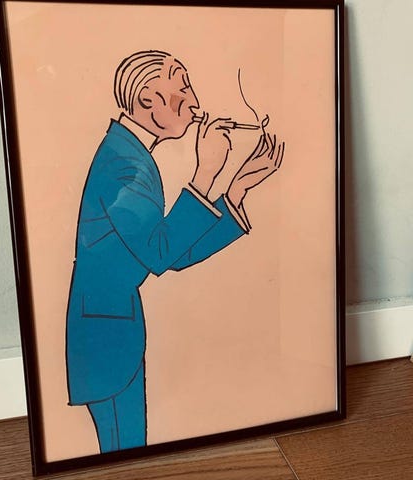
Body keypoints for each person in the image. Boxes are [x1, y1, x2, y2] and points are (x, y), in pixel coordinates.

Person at [66, 50, 284, 454]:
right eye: (182, 87)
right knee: (123, 455)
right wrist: (205, 173)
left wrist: (235, 189)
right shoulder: (122, 163)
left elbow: (171, 252)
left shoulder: (131, 154)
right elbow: (161, 252)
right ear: (147, 99)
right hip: (105, 339)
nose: (195, 101)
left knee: (128, 450)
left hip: (114, 330)